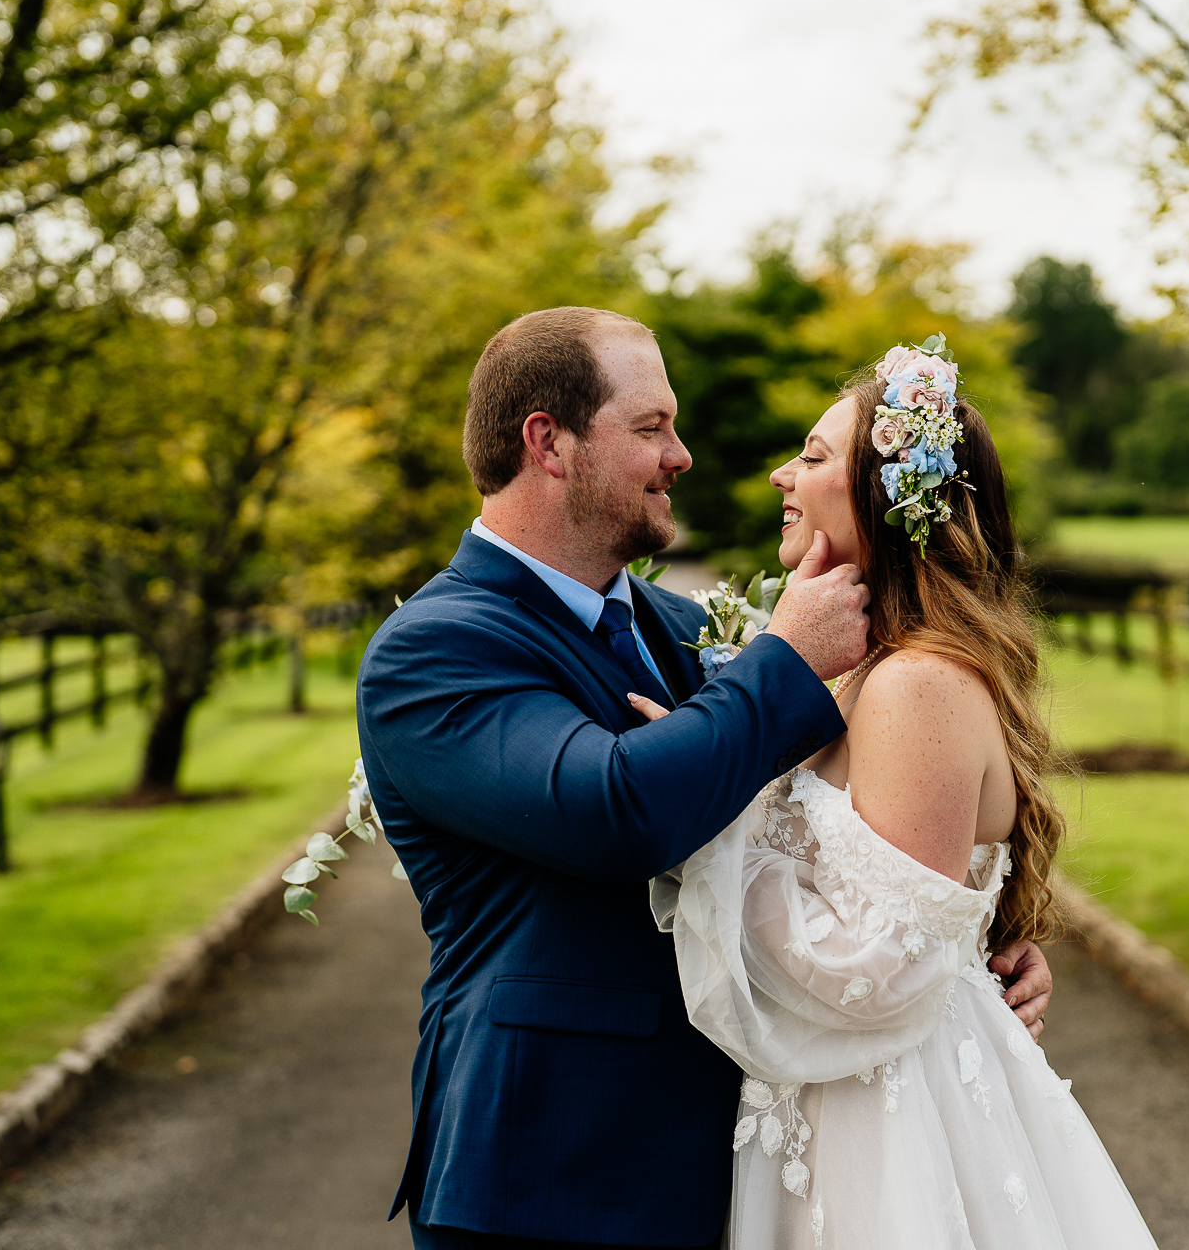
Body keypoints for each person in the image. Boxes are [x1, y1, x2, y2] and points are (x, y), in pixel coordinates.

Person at [355, 308, 1056, 1250]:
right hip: (549, 1177)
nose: (681, 456)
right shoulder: (435, 650)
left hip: (734, 1164)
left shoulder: (678, 630)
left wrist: (961, 948)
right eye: (652, 429)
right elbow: (620, 808)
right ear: (548, 442)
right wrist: (786, 660)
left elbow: (841, 842)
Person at [641, 340, 1159, 1248]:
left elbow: (878, 965)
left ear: (882, 496)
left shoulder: (914, 684)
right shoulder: (855, 673)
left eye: (809, 456)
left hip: (893, 1124)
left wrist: (694, 829)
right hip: (834, 1098)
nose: (778, 476)